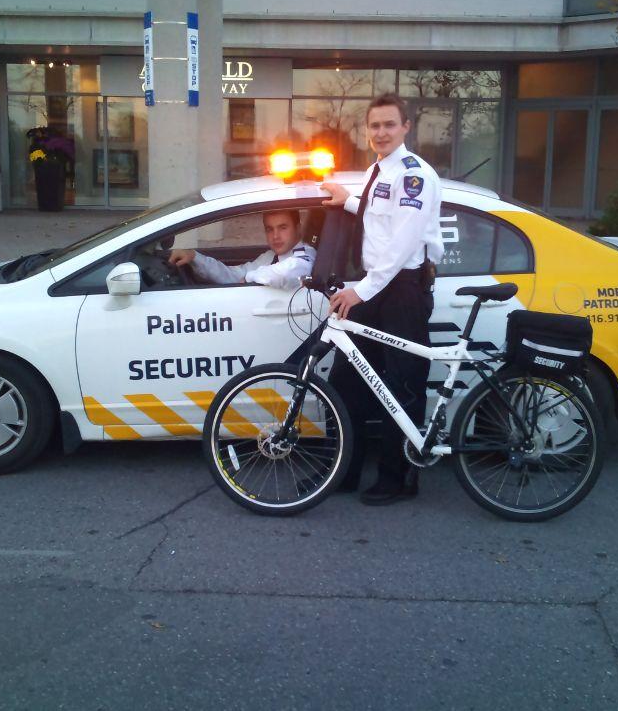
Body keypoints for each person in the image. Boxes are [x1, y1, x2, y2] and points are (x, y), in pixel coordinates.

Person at [320, 94, 444, 506]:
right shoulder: (378, 170)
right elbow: (380, 218)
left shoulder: (414, 175)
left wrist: (360, 291)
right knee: (346, 380)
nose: (381, 132)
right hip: (377, 285)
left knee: (403, 384)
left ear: (406, 127)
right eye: (374, 125)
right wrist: (348, 200)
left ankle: (399, 478)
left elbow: (402, 244)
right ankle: (345, 470)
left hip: (402, 289)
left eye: (390, 124)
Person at [168, 209, 315, 289]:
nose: (275, 236)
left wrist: (248, 279)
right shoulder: (269, 256)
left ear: (298, 229)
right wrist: (195, 257)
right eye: (269, 229)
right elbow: (233, 275)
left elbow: (285, 273)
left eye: (283, 228)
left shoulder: (305, 255)